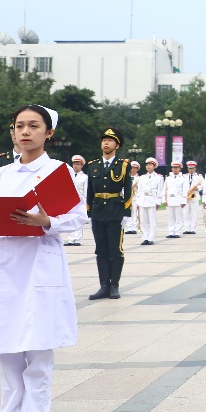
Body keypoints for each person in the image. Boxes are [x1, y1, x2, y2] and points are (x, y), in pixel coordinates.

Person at [0, 104, 86, 412]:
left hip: (38, 266)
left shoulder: (57, 171)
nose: (25, 132)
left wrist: (46, 221)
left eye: (34, 126)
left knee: (37, 353)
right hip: (4, 269)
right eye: (19, 125)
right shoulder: (1, 175)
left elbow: (78, 217)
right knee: (7, 353)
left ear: (48, 132)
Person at [84, 128, 131, 300]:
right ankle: (104, 286)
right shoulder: (93, 165)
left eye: (110, 140)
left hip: (115, 212)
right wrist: (89, 212)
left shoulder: (123, 165)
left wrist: (126, 213)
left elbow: (128, 190)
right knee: (101, 250)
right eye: (104, 140)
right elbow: (90, 191)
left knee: (115, 250)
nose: (106, 143)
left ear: (116, 145)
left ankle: (114, 286)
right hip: (98, 212)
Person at [135, 158, 163, 245]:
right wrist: (138, 202)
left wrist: (158, 202)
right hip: (143, 200)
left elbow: (160, 190)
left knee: (152, 221)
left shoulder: (159, 177)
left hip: (152, 200)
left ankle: (151, 238)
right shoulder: (142, 177)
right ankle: (145, 237)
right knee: (143, 221)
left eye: (150, 165)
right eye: (147, 165)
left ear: (154, 166)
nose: (148, 166)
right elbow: (139, 191)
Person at [64, 156, 88, 246]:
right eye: (74, 164)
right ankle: (71, 239)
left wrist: (86, 203)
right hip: (70, 201)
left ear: (81, 166)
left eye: (78, 164)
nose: (75, 166)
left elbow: (86, 191)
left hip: (80, 201)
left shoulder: (84, 177)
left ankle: (77, 239)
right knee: (70, 220)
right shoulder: (69, 176)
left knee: (79, 220)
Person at [164, 162, 187, 239]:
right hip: (170, 199)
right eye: (173, 168)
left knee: (178, 217)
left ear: (180, 169)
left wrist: (184, 201)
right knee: (171, 217)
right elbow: (165, 189)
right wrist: (164, 199)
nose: (175, 169)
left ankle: (177, 232)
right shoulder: (168, 178)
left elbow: (185, 191)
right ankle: (171, 231)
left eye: (177, 168)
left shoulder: (183, 179)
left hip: (178, 199)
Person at [183, 160, 203, 235]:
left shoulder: (199, 176)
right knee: (186, 213)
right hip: (186, 196)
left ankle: (193, 228)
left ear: (195, 168)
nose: (190, 170)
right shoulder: (184, 176)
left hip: (194, 195)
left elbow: (203, 185)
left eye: (192, 168)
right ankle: (187, 228)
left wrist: (198, 188)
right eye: (189, 168)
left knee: (194, 213)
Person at [123, 161, 141, 234]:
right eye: (132, 168)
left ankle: (135, 227)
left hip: (135, 197)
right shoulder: (126, 178)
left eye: (135, 168)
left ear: (137, 169)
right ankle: (129, 227)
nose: (133, 169)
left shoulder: (140, 179)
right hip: (128, 197)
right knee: (128, 212)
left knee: (135, 212)